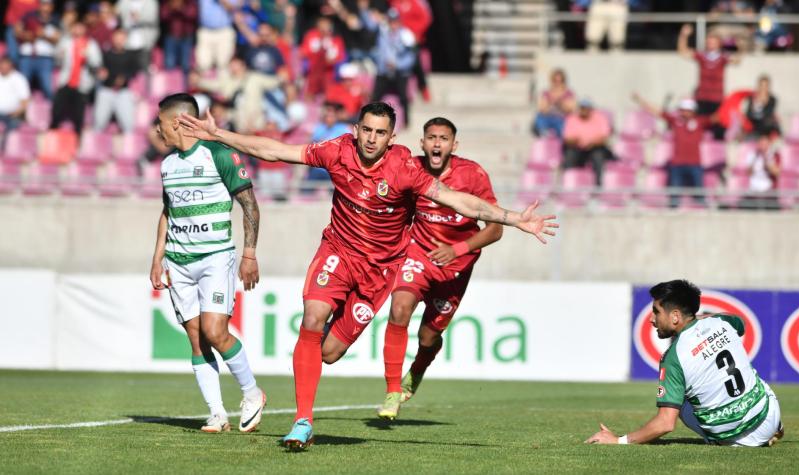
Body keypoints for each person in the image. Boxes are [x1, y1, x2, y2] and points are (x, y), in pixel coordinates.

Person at [177, 101, 557, 451]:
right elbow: (275, 150)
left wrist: (512, 218)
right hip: (338, 252)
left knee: (328, 352)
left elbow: (457, 199)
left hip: (379, 270)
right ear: (356, 129)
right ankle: (302, 421)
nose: (372, 139)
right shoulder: (336, 150)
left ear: (392, 138)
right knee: (311, 320)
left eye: (381, 133)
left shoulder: (405, 168)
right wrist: (219, 134)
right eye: (367, 130)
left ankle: (326, 359)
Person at [149, 93, 266, 434]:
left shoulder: (219, 153)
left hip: (216, 257)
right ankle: (217, 414)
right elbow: (167, 212)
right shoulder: (168, 165)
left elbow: (250, 205)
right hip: (179, 262)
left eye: (160, 124)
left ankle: (252, 393)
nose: (158, 131)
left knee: (215, 331)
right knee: (196, 338)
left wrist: (249, 253)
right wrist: (157, 257)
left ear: (176, 122)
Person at [376, 117, 503, 419]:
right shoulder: (412, 168)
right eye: (431, 137)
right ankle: (393, 390)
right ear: (422, 142)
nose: (436, 143)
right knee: (399, 308)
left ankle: (418, 369)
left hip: (455, 267)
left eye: (443, 138)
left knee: (427, 338)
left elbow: (495, 229)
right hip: (418, 255)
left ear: (453, 145)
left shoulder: (472, 175)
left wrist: (456, 249)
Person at [586, 279, 784, 447]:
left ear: (675, 316)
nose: (651, 319)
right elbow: (741, 324)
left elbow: (665, 423)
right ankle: (775, 426)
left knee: (679, 402)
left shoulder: (673, 358)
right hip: (768, 416)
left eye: (656, 311)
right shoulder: (721, 322)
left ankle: (738, 435)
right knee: (753, 376)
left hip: (738, 441)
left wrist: (619, 440)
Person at [633, 93, 709, 208]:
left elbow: (717, 118)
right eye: (682, 110)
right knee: (674, 197)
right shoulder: (675, 121)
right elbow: (657, 111)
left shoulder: (700, 123)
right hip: (677, 164)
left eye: (687, 110)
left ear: (693, 111)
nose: (684, 113)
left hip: (695, 164)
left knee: (700, 196)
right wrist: (641, 101)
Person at [677, 24, 739, 140]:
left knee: (719, 131)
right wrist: (683, 36)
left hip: (717, 100)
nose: (710, 44)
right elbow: (683, 51)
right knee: (699, 129)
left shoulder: (722, 58)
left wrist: (738, 45)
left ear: (718, 43)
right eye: (708, 41)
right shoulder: (702, 56)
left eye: (713, 42)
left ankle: (718, 156)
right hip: (702, 99)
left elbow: (737, 60)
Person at [50, 21, 101, 135]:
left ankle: (78, 136)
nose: (77, 30)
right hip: (66, 81)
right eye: (75, 27)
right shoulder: (65, 42)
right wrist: (60, 55)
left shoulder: (91, 44)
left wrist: (88, 56)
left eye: (80, 27)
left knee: (79, 113)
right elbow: (57, 60)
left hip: (82, 83)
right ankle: (52, 131)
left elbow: (97, 63)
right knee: (57, 108)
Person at [369, 9, 416, 128]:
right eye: (391, 21)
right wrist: (382, 64)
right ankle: (369, 119)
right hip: (384, 71)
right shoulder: (383, 34)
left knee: (403, 97)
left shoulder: (406, 35)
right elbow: (379, 52)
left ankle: (406, 122)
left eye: (395, 21)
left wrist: (397, 65)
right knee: (375, 97)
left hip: (400, 72)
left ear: (399, 22)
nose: (393, 24)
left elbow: (411, 57)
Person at [94, 29, 139, 133]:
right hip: (106, 91)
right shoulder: (105, 54)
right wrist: (100, 73)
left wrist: (124, 77)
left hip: (123, 92)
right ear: (112, 39)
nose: (119, 41)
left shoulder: (130, 55)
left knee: (128, 124)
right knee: (99, 123)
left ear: (125, 40)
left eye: (121, 38)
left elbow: (134, 71)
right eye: (117, 38)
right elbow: (98, 69)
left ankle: (129, 147)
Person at [16, 0, 60, 100]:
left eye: (48, 5)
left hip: (45, 58)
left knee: (47, 88)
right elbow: (17, 31)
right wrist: (25, 35)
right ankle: (21, 114)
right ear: (39, 6)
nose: (45, 8)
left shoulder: (55, 20)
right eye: (43, 4)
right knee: (23, 88)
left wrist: (43, 35)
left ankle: (51, 112)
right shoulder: (29, 16)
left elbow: (57, 38)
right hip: (27, 57)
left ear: (52, 7)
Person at [562, 98, 613, 185]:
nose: (584, 110)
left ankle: (598, 186)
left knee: (598, 156)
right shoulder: (572, 118)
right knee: (569, 156)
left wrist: (592, 143)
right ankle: (568, 184)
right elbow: (567, 139)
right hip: (577, 148)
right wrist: (578, 142)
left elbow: (605, 139)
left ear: (590, 109)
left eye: (586, 108)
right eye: (582, 108)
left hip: (595, 148)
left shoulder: (600, 118)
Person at [739, 134, 780, 210]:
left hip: (767, 190)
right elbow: (749, 172)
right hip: (753, 190)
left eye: (765, 144)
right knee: (742, 204)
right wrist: (755, 159)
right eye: (761, 143)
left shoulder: (774, 155)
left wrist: (766, 160)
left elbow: (777, 172)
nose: (763, 146)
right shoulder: (753, 155)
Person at [533, 68, 575, 138]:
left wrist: (560, 102)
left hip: (561, 118)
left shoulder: (569, 93)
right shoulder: (546, 93)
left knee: (562, 127)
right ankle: (544, 132)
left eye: (560, 81)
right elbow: (542, 109)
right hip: (548, 117)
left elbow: (571, 109)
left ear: (563, 81)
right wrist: (550, 102)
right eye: (555, 81)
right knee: (540, 117)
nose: (557, 83)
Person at [0, 56, 31, 146]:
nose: (3, 68)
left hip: (14, 115)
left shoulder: (19, 79)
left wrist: (16, 113)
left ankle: (5, 151)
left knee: (11, 127)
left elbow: (25, 102)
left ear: (11, 66)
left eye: (6, 66)